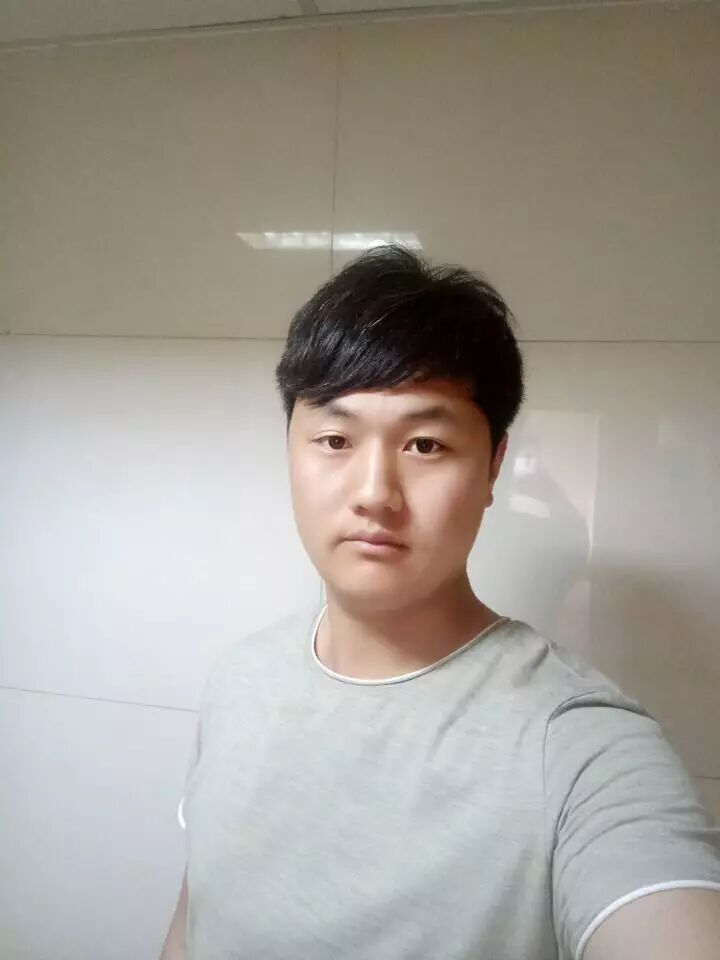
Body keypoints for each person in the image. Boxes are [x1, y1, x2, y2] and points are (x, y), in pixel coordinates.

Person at [160, 246, 720, 960]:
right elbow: (196, 924)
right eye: (334, 439)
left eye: (425, 445)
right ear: (290, 450)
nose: (374, 492)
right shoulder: (239, 681)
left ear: (493, 466)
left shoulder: (578, 747)